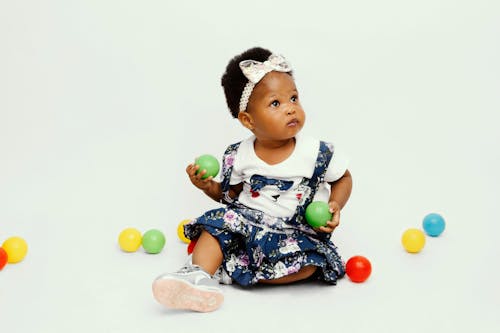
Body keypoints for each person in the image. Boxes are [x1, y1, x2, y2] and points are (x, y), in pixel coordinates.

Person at [152, 47, 353, 312]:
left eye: (294, 98)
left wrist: (335, 205)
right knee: (217, 225)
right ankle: (197, 275)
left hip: (294, 232)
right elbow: (230, 196)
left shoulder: (316, 151)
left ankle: (234, 272)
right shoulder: (240, 155)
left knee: (310, 264)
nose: (291, 109)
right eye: (276, 104)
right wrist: (207, 186)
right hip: (246, 224)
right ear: (248, 119)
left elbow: (344, 178)